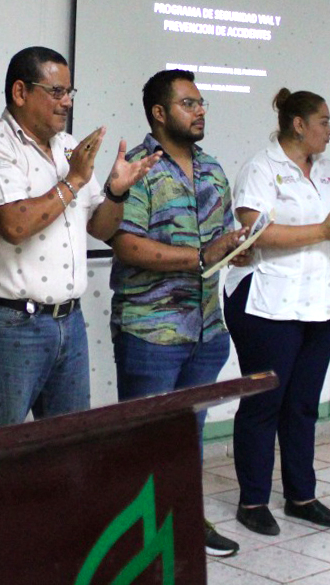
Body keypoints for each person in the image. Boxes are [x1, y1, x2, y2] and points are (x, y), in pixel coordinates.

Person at [0, 46, 157, 430]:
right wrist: (74, 180)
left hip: (70, 321)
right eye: (56, 91)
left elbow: (101, 228)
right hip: (10, 324)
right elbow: (15, 226)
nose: (67, 102)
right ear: (20, 92)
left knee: (70, 446)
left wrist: (117, 192)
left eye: (69, 92)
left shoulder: (69, 147)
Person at [225, 88, 330, 536]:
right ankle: (253, 501)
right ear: (298, 125)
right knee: (264, 404)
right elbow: (255, 233)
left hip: (321, 303)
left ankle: (302, 497)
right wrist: (324, 230)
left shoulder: (328, 171)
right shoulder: (261, 168)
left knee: (302, 405)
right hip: (267, 303)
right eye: (323, 122)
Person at [109, 69, 247, 557]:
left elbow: (222, 238)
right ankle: (139, 542)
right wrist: (202, 256)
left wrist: (238, 248)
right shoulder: (138, 167)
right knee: (144, 440)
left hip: (207, 330)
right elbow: (126, 245)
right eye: (189, 103)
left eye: (202, 102)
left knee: (189, 435)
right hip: (152, 330)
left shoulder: (212, 168)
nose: (200, 110)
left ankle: (185, 522)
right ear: (159, 113)